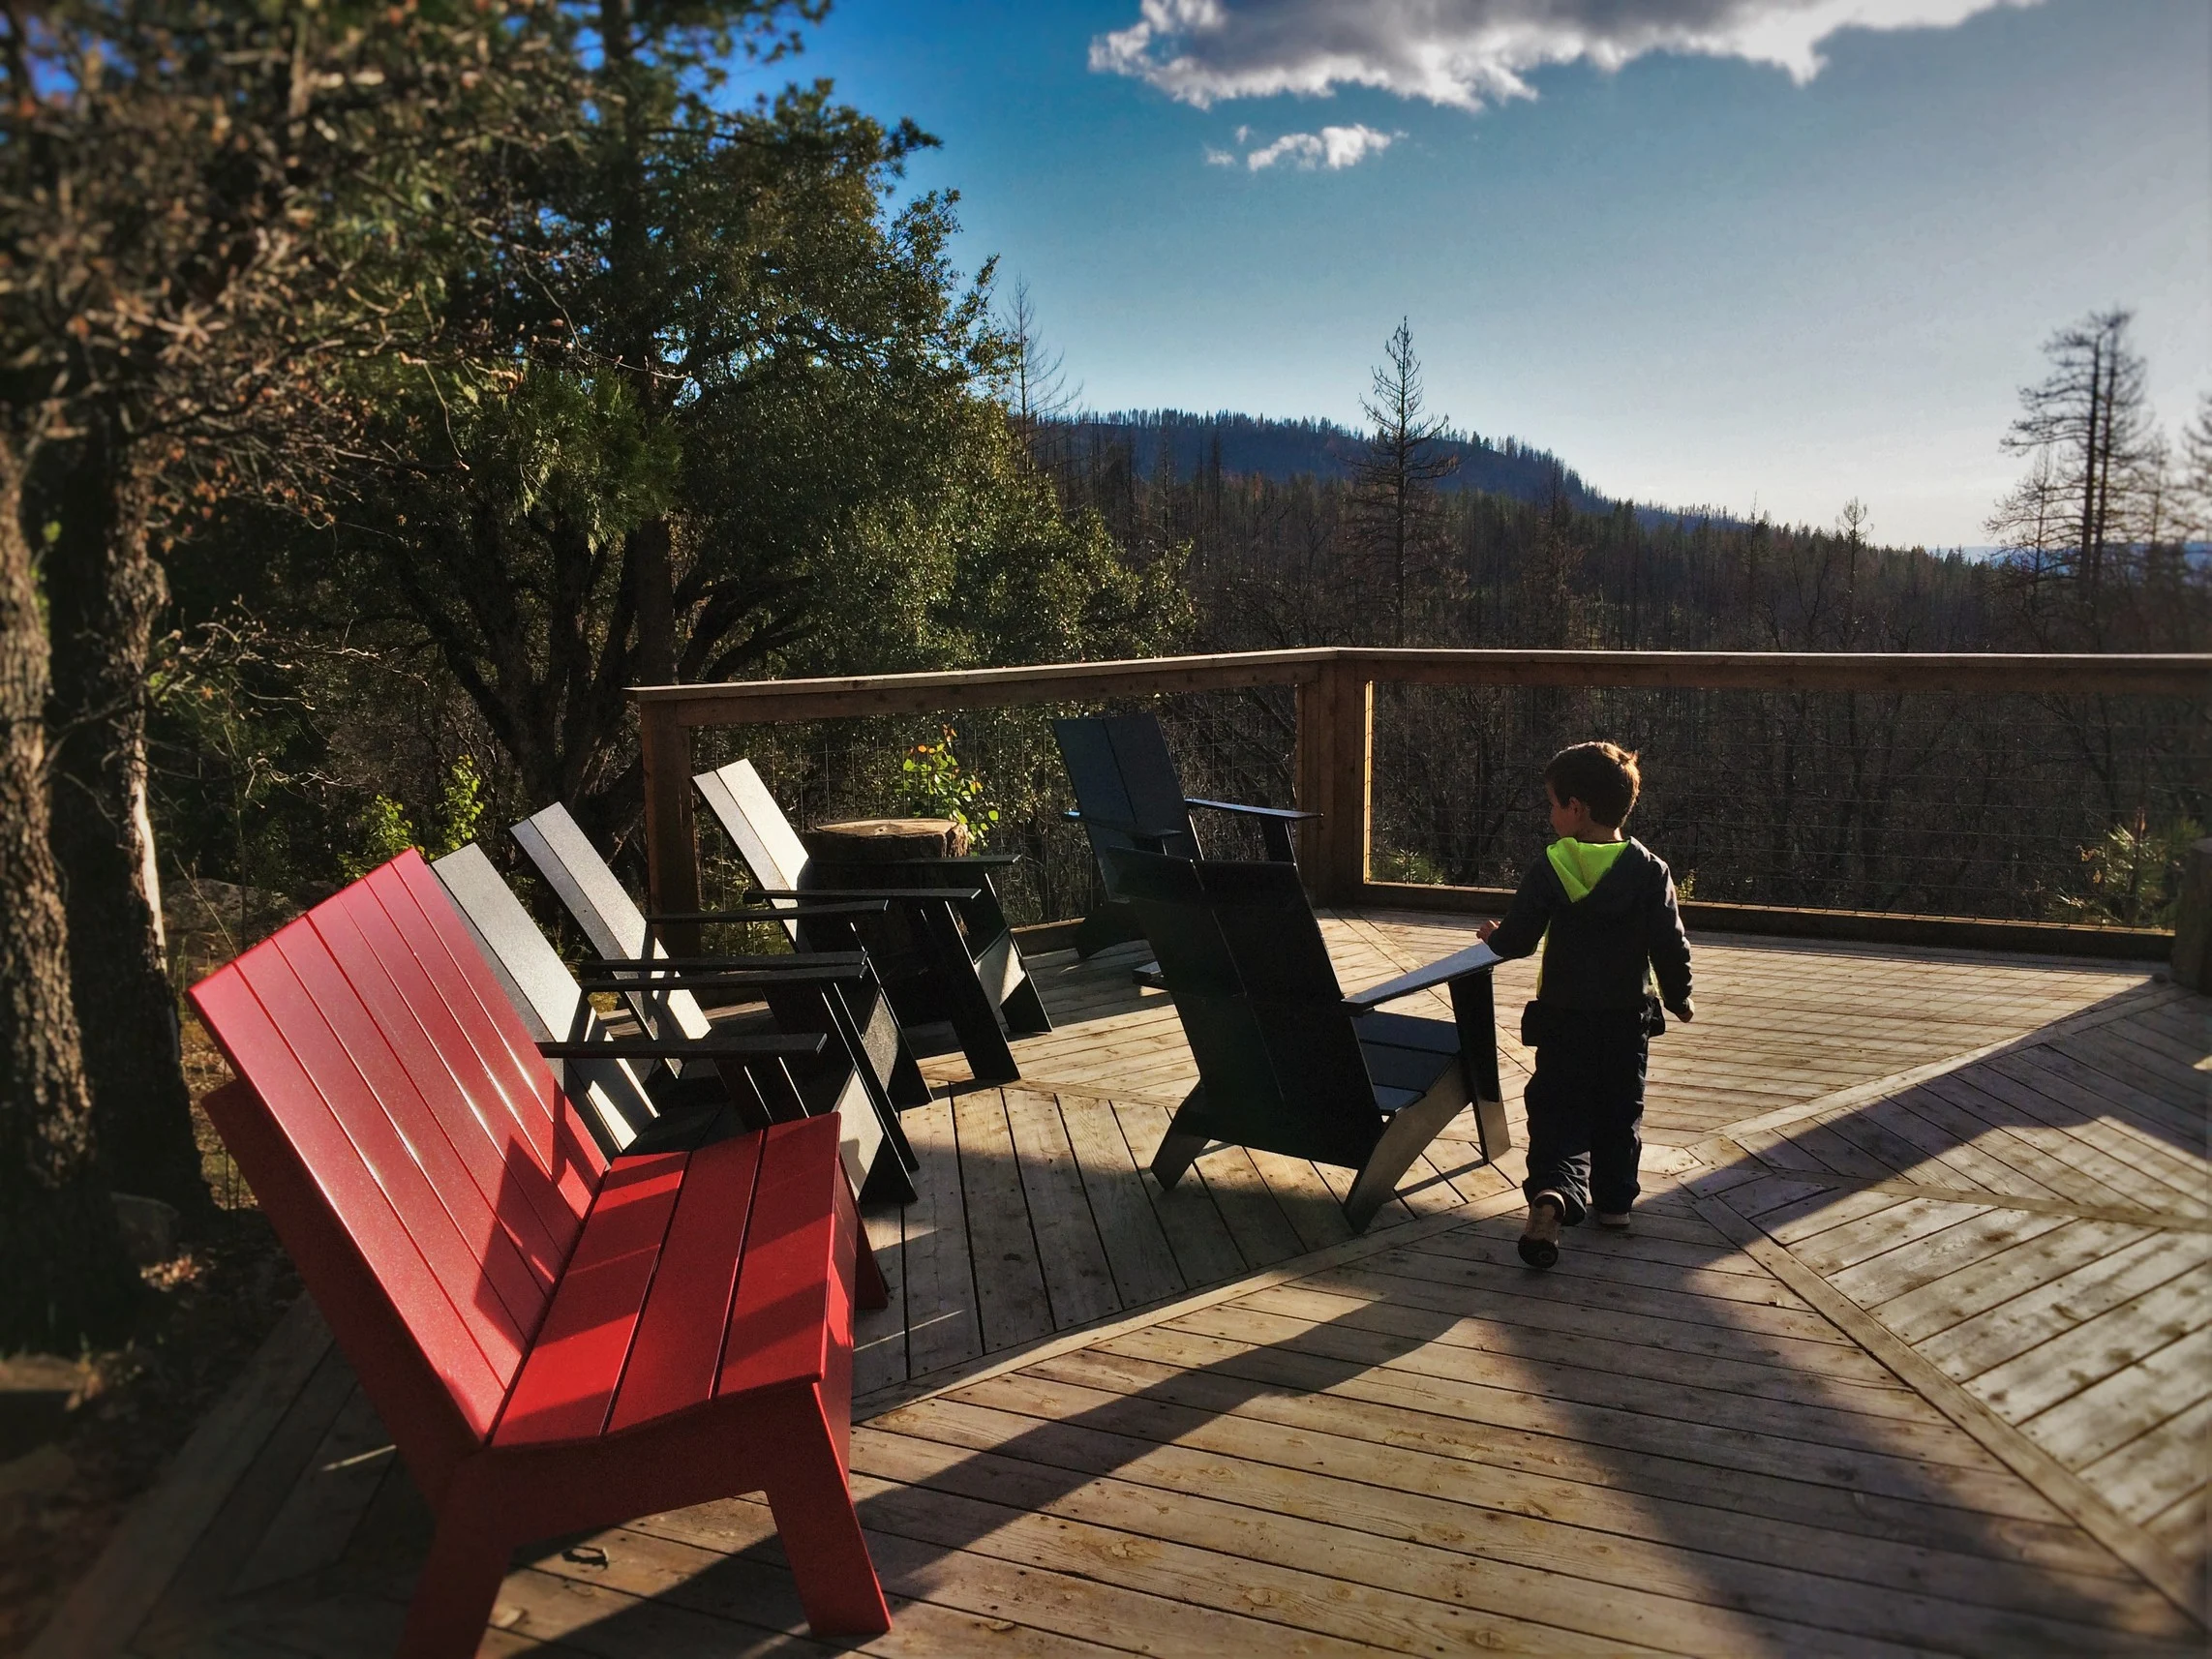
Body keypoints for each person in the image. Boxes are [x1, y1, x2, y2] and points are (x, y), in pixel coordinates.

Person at [1476, 741, 1693, 1268]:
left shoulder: (1553, 865)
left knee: (1558, 1109)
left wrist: (1494, 936)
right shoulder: (1650, 870)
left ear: (1577, 808)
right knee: (1621, 1109)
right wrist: (1679, 996)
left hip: (1563, 1017)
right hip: (1626, 1020)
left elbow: (1522, 940)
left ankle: (1552, 1196)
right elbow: (1669, 943)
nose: (1550, 814)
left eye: (1553, 803)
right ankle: (1615, 1203)